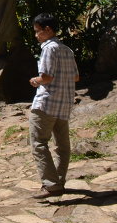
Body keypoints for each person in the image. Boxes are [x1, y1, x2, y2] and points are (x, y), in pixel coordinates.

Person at [28, 12, 80, 199]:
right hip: (64, 104)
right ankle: (58, 181)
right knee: (62, 146)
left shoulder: (49, 49)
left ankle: (50, 185)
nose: (36, 35)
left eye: (37, 31)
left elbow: (46, 77)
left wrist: (35, 80)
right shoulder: (67, 50)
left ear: (47, 30)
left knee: (39, 143)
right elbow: (75, 77)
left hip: (47, 103)